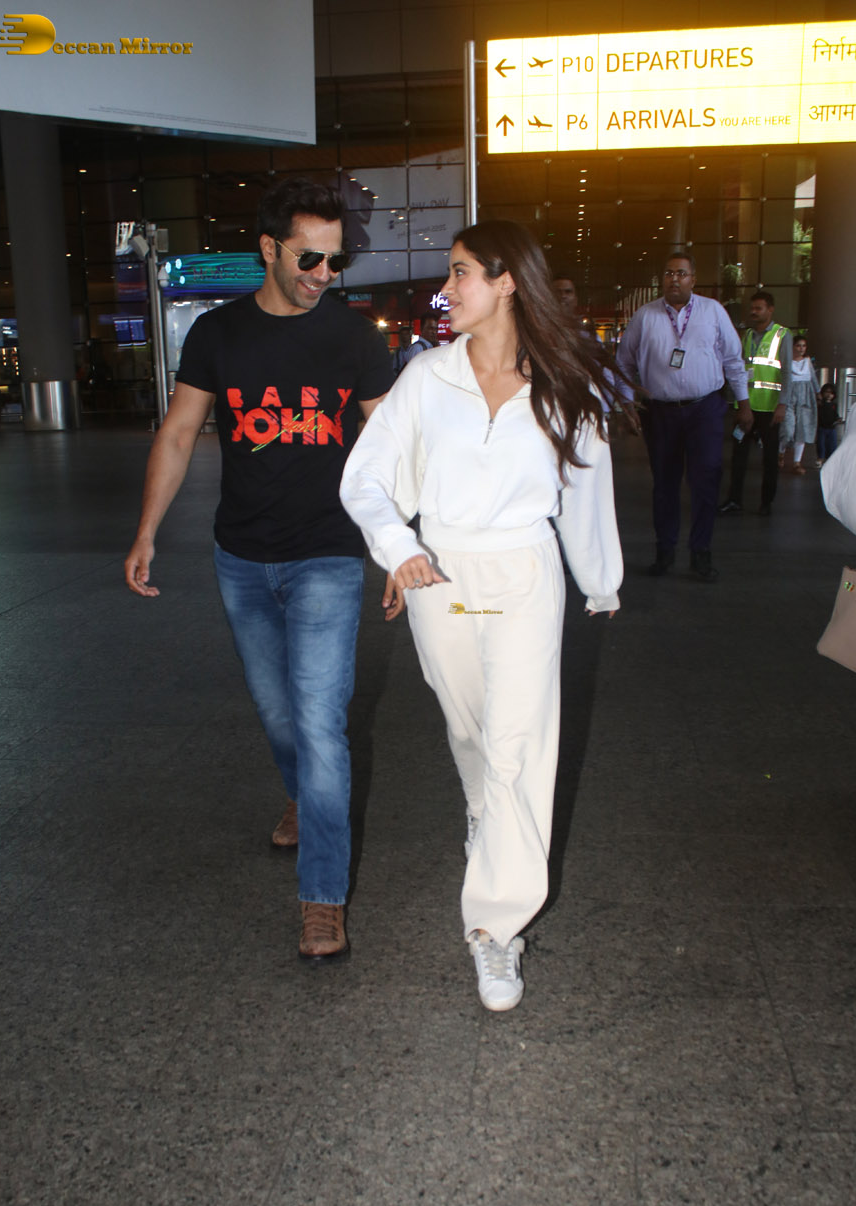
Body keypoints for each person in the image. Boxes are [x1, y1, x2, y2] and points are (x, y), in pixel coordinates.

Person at [340, 220, 622, 1012]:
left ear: (507, 283)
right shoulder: (427, 377)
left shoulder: (566, 382)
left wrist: (600, 579)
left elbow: (586, 490)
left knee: (517, 744)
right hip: (445, 575)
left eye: (461, 272)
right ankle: (485, 818)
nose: (447, 288)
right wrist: (399, 548)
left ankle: (496, 928)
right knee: (471, 733)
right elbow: (366, 477)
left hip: (525, 573)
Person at [124, 177, 392, 965]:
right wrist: (145, 532)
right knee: (279, 717)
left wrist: (399, 547)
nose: (323, 274)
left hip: (328, 554)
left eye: (336, 261)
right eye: (310, 258)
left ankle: (322, 898)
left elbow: (389, 449)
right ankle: (303, 798)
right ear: (269, 249)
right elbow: (179, 434)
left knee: (319, 722)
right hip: (241, 558)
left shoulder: (354, 339)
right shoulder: (218, 334)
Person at [617, 251, 752, 582]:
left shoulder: (713, 311)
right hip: (660, 412)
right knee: (664, 484)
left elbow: (733, 360)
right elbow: (623, 362)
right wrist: (627, 404)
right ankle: (664, 552)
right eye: (668, 273)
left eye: (681, 273)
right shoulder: (645, 316)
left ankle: (700, 553)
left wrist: (744, 404)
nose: (674, 279)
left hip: (704, 409)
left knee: (706, 481)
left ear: (693, 279)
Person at [719, 289, 792, 517]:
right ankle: (734, 499)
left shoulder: (782, 335)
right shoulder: (748, 335)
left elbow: (787, 372)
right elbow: (740, 370)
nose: (754, 312)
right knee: (738, 455)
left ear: (770, 310)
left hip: (770, 408)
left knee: (769, 458)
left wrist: (783, 405)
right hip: (747, 407)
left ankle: (766, 502)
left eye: (758, 308)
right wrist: (739, 404)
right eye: (752, 308)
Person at [780, 335, 820, 474]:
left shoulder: (807, 362)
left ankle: (797, 462)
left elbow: (813, 378)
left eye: (803, 346)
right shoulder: (786, 362)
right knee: (788, 429)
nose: (801, 348)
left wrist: (818, 393)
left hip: (805, 398)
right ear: (792, 347)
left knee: (802, 429)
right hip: (789, 398)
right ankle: (781, 452)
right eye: (798, 345)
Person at [816, 383, 842, 466]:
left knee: (832, 445)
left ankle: (830, 460)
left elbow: (835, 414)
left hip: (831, 428)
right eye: (827, 392)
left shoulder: (834, 405)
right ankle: (820, 458)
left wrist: (837, 418)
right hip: (822, 428)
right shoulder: (820, 404)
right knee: (821, 444)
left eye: (831, 393)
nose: (829, 395)